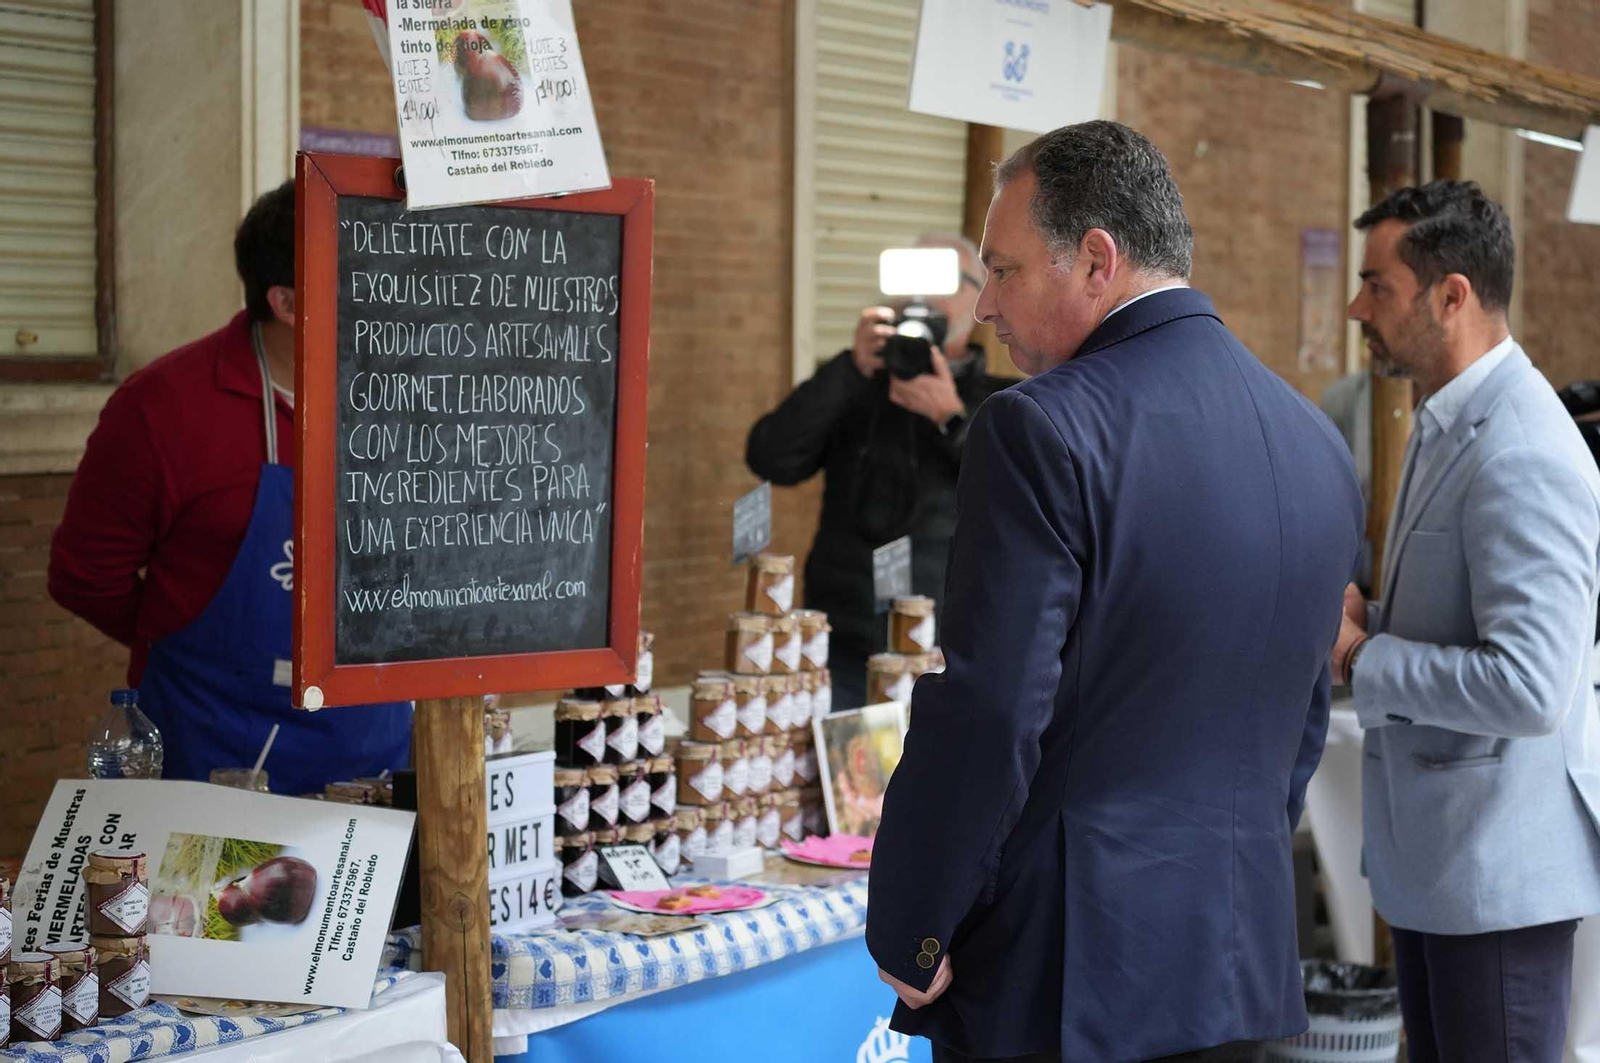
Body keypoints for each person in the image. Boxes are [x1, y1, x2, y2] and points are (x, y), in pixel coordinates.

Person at [866, 120, 1364, 1063]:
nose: (983, 312)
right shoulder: (1316, 445)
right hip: (1234, 956)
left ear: (1096, 259)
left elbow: (990, 708)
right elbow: (1297, 727)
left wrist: (916, 924)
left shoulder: (1038, 429)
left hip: (1070, 971)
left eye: (1002, 272)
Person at [1332, 181, 1600, 1063]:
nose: (1355, 306)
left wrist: (1365, 656)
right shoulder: (1451, 421)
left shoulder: (1522, 446)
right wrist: (1367, 610)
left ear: (1452, 296)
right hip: (1444, 866)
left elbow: (1529, 686)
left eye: (1378, 286)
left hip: (1496, 878)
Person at [49, 181, 412, 795]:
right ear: (288, 302)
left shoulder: (412, 399)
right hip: (214, 760)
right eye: (364, 276)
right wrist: (194, 640)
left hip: (376, 754)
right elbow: (85, 578)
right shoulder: (161, 409)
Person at [745, 234, 1010, 708]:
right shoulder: (856, 386)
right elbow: (771, 458)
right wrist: (849, 369)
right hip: (841, 639)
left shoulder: (1000, 402)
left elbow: (1019, 493)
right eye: (910, 280)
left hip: (944, 647)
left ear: (979, 296)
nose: (920, 298)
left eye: (940, 281)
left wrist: (951, 420)